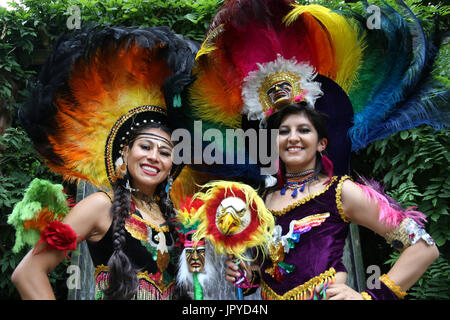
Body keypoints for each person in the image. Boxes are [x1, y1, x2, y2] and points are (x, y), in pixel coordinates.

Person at [10, 26, 197, 300]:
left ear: (172, 164)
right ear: (126, 152)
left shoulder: (175, 220)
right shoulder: (100, 206)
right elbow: (28, 273)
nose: (154, 157)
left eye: (165, 152)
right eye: (145, 147)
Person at [225, 102, 439, 300]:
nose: (292, 138)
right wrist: (246, 275)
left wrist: (369, 297)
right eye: (284, 131)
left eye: (304, 130)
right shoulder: (260, 202)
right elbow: (267, 272)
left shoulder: (340, 191)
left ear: (321, 144)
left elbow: (423, 248)